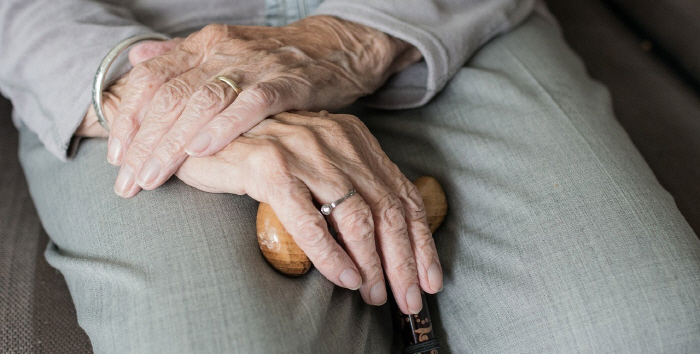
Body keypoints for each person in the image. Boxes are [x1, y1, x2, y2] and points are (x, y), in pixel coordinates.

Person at [2, 0, 699, 352]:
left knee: (650, 331)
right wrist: (146, 93)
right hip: (125, 40)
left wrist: (346, 40)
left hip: (447, 20)